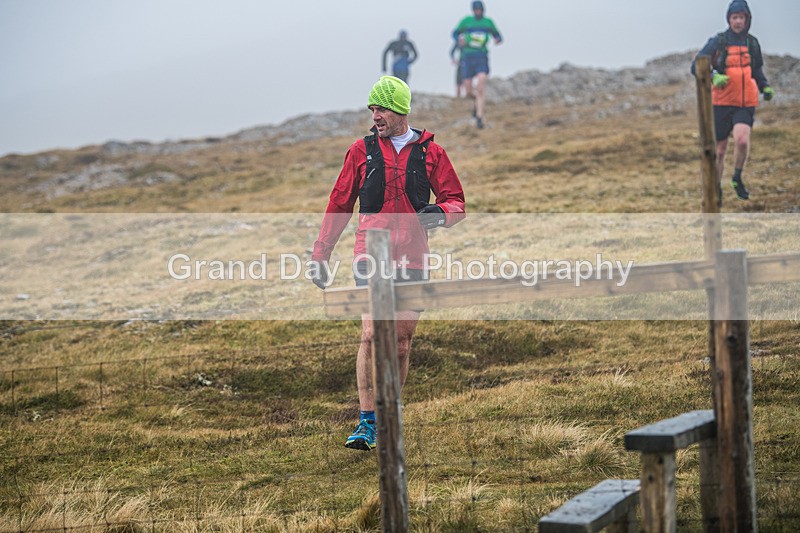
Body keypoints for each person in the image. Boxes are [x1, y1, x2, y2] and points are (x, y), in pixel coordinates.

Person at [310, 76, 466, 451]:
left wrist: (440, 213)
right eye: (372, 109)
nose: (375, 116)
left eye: (381, 108)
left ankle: (389, 414)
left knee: (400, 342)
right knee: (371, 334)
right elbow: (340, 203)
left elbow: (456, 201)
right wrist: (321, 252)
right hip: (371, 255)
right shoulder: (359, 151)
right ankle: (366, 422)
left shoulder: (432, 152)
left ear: (400, 110)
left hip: (413, 258)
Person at [691, 0, 775, 202]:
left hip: (746, 102)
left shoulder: (752, 43)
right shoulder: (718, 41)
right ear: (729, 19)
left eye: (741, 17)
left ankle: (737, 177)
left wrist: (764, 86)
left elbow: (756, 70)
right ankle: (715, 188)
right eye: (734, 17)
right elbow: (696, 66)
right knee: (719, 150)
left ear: (747, 19)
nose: (738, 21)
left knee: (742, 140)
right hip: (722, 102)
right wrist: (713, 76)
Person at [452, 0, 502, 129]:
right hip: (468, 58)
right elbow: (455, 33)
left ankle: (480, 117)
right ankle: (476, 101)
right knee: (468, 91)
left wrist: (497, 39)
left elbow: (498, 35)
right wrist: (460, 40)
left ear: (483, 10)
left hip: (482, 57)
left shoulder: (488, 22)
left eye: (480, 9)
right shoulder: (466, 21)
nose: (478, 12)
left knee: (481, 86)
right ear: (473, 10)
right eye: (476, 10)